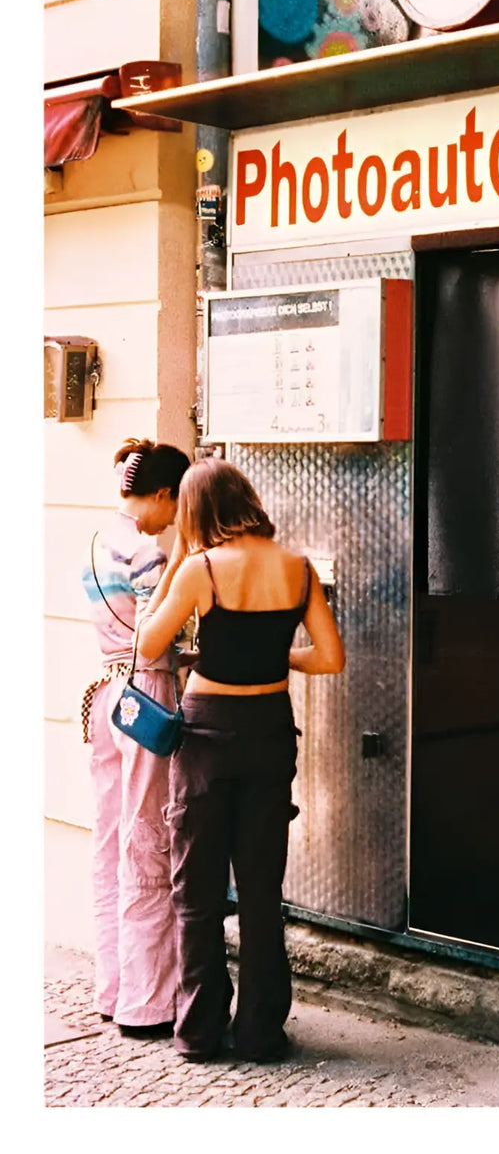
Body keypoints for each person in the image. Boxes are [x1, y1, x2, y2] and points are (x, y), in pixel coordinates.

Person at [136, 458, 345, 1064]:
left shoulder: (200, 568)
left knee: (196, 885)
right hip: (269, 731)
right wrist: (277, 657)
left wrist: (179, 561)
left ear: (196, 512)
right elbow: (330, 657)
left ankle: (200, 1031)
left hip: (206, 735)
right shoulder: (298, 568)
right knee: (260, 888)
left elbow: (148, 644)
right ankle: (260, 1032)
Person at [81, 436, 192, 1036]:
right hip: (145, 693)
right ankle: (148, 1003)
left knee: (111, 838)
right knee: (148, 838)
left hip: (104, 695)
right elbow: (155, 632)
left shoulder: (97, 540)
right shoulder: (147, 551)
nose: (174, 517)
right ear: (163, 493)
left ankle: (112, 987)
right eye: (175, 504)